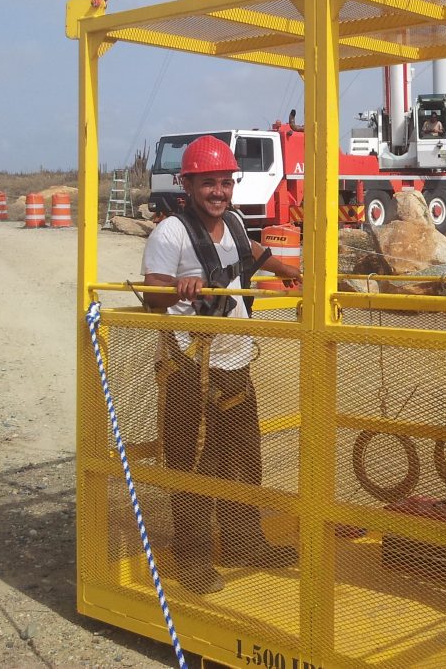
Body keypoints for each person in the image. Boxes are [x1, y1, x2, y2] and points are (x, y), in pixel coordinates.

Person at [140, 135, 301, 594]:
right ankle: (191, 560)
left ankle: (243, 543)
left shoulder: (230, 222)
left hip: (233, 363)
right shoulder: (170, 233)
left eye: (225, 183)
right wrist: (181, 289)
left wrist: (294, 275)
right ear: (187, 185)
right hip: (189, 365)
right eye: (208, 183)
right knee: (194, 465)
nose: (219, 192)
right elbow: (152, 292)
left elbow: (252, 252)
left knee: (244, 460)